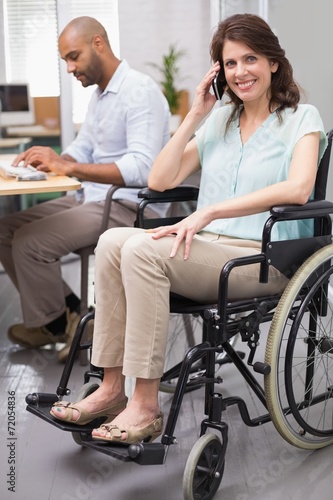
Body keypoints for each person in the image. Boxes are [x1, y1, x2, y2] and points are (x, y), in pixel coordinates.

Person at [50, 13, 327, 444]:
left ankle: (143, 405)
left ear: (273, 62)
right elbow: (158, 179)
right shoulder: (218, 122)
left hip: (262, 256)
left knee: (142, 250)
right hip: (203, 247)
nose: (239, 72)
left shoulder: (301, 118)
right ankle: (110, 387)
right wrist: (196, 113)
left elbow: (299, 187)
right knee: (111, 241)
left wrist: (209, 213)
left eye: (249, 59)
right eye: (229, 64)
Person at [0, 16, 170, 362]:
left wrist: (70, 167)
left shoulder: (139, 92)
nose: (69, 67)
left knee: (31, 242)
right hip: (90, 197)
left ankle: (61, 322)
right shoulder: (100, 97)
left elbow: (144, 169)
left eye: (73, 57)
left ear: (98, 44)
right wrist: (51, 160)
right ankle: (61, 319)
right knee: (4, 230)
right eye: (65, 60)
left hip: (128, 206)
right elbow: (83, 148)